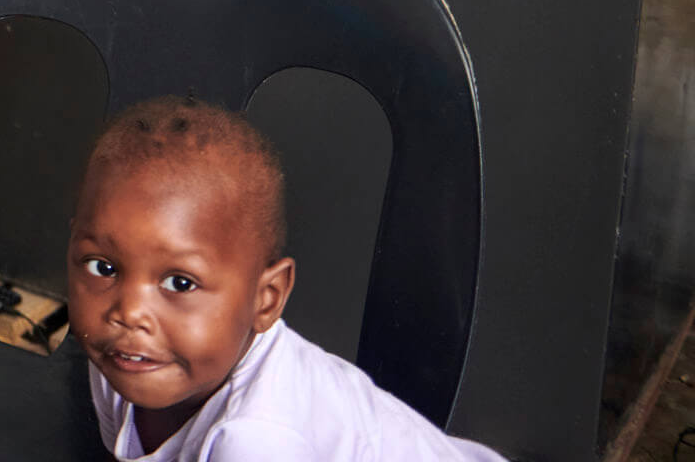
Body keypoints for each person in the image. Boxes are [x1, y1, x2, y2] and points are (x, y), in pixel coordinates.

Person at [68, 97, 507, 460]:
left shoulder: (255, 439)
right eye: (102, 268)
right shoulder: (124, 360)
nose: (128, 311)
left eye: (180, 283)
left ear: (267, 299)